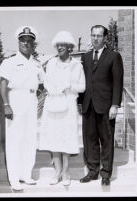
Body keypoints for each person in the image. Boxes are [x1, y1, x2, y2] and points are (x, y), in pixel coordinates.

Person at [0, 26, 44, 191]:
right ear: (18, 42)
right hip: (15, 100)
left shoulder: (37, 64)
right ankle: (14, 178)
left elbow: (44, 83)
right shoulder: (10, 61)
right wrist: (6, 104)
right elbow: (3, 83)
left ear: (33, 44)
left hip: (31, 100)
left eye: (29, 41)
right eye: (23, 40)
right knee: (14, 140)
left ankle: (26, 174)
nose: (26, 43)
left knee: (29, 139)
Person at [38, 31, 85, 186]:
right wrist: (51, 88)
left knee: (66, 137)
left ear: (69, 46)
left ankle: (66, 172)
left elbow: (82, 87)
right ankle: (57, 171)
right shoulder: (51, 62)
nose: (59, 47)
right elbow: (45, 81)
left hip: (69, 104)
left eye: (62, 44)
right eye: (57, 45)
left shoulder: (76, 65)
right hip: (52, 103)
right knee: (53, 137)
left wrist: (69, 86)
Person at [79, 25, 124, 186]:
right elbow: (81, 82)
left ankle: (106, 174)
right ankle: (92, 171)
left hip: (105, 106)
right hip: (88, 105)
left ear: (105, 38)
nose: (95, 38)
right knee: (89, 140)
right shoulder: (85, 57)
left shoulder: (113, 56)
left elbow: (118, 83)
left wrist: (115, 105)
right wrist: (80, 102)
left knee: (106, 140)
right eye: (93, 35)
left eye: (99, 36)